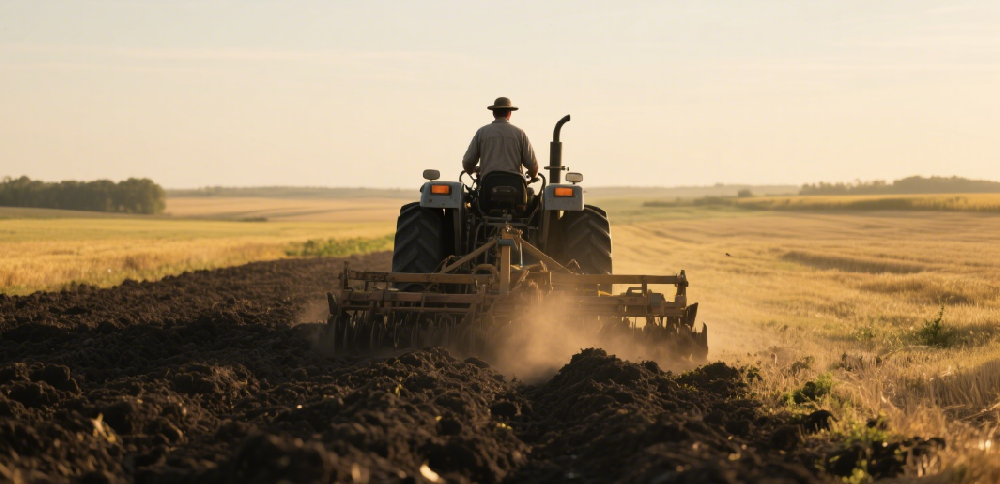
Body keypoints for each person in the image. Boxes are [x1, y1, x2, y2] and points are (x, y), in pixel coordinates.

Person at [462, 97, 539, 181]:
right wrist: (533, 177)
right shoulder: (519, 134)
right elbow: (533, 166)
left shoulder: (482, 132)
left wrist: (473, 172)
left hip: (488, 185)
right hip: (514, 186)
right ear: (509, 113)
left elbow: (467, 163)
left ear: (493, 113)